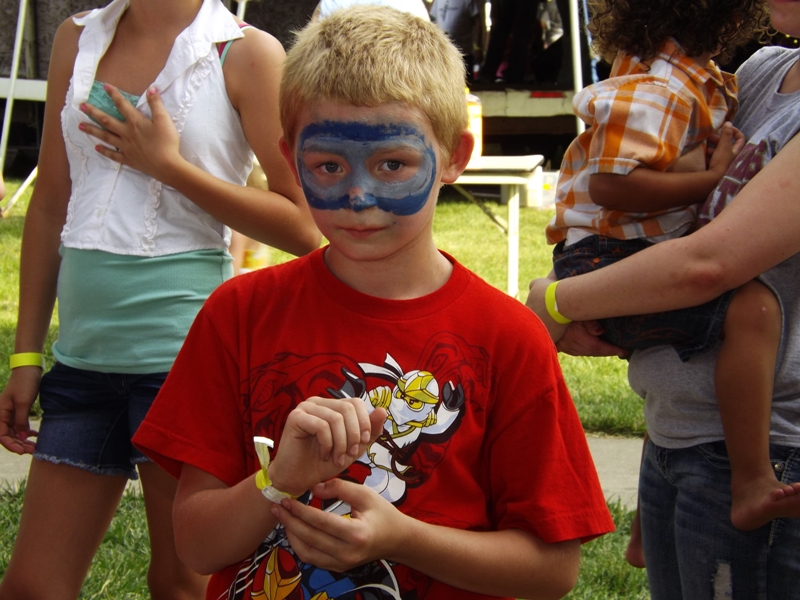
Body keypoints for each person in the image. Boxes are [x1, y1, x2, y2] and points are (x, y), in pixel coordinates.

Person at [132, 7, 615, 599]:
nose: (358, 195)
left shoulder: (508, 337)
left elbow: (553, 570)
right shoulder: (240, 313)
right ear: (291, 160)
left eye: (392, 164)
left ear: (455, 156)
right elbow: (197, 546)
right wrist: (277, 479)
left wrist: (402, 539)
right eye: (328, 165)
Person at [0, 0, 320, 598]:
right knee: (31, 588)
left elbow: (305, 224)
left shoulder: (247, 53)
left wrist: (169, 167)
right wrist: (25, 357)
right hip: (82, 361)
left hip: (185, 368)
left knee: (180, 583)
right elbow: (48, 205)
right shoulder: (77, 38)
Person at [526, 0, 800, 594]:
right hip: (676, 432)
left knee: (753, 306)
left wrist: (556, 301)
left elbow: (706, 264)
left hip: (771, 446)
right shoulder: (755, 75)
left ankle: (752, 481)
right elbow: (667, 216)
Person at [429, 0, 485, 81]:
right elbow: (432, 20)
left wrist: (478, 47)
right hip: (442, 54)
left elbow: (478, 22)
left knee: (465, 84)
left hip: (463, 54)